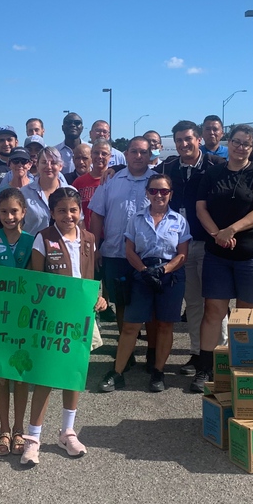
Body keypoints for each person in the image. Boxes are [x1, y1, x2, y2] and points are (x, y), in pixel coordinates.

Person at [22, 188, 107, 467]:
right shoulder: (43, 239)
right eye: (61, 210)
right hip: (52, 319)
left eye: (73, 210)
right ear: (52, 213)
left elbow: (90, 276)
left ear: (80, 211)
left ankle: (67, 431)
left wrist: (99, 297)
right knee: (46, 377)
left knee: (73, 375)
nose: (68, 215)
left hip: (81, 317)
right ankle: (33, 438)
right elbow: (36, 282)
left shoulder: (89, 239)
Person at [191, 124, 253, 393]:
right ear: (230, 142)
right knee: (213, 311)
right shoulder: (215, 172)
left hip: (252, 253)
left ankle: (246, 367)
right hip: (218, 253)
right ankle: (205, 368)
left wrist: (232, 230)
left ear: (252, 148)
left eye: (246, 144)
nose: (240, 147)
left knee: (247, 314)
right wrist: (216, 234)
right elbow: (200, 206)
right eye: (236, 142)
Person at [100, 174, 190, 393]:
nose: (158, 195)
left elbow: (182, 254)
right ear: (147, 193)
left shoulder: (179, 221)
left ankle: (158, 372)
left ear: (171, 194)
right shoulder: (136, 219)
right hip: (142, 273)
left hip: (170, 275)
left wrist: (163, 270)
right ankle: (118, 372)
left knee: (164, 325)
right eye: (153, 191)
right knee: (131, 325)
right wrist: (143, 270)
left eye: (164, 191)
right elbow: (129, 250)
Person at [163, 121, 225, 374]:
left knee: (215, 303)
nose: (183, 144)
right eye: (178, 140)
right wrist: (116, 169)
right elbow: (144, 172)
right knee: (194, 303)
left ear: (199, 139)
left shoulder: (215, 165)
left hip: (210, 243)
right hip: (182, 246)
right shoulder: (168, 166)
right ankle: (198, 353)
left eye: (188, 139)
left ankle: (220, 355)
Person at [88, 138, 154, 347]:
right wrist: (96, 248)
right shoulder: (111, 181)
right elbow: (97, 215)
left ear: (149, 155)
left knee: (149, 304)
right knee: (122, 303)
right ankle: (127, 351)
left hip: (148, 255)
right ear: (125, 154)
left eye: (143, 152)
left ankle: (152, 351)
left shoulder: (157, 182)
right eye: (133, 151)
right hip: (115, 254)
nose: (138, 156)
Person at [0, 187, 35, 457]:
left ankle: (19, 429)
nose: (8, 216)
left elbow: (33, 277)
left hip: (23, 316)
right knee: (1, 375)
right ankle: (3, 429)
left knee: (20, 372)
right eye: (3, 211)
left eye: (14, 211)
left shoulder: (31, 240)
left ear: (23, 212)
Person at [21, 147, 68, 234]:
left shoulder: (70, 192)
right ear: (37, 165)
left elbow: (79, 222)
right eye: (44, 162)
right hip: (31, 245)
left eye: (53, 162)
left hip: (63, 246)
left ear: (60, 166)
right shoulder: (24, 193)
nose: (48, 166)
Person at [71, 139, 113, 225]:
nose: (100, 156)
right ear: (91, 155)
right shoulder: (79, 182)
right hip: (85, 233)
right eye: (96, 153)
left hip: (109, 233)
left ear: (110, 157)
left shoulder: (114, 180)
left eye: (104, 154)